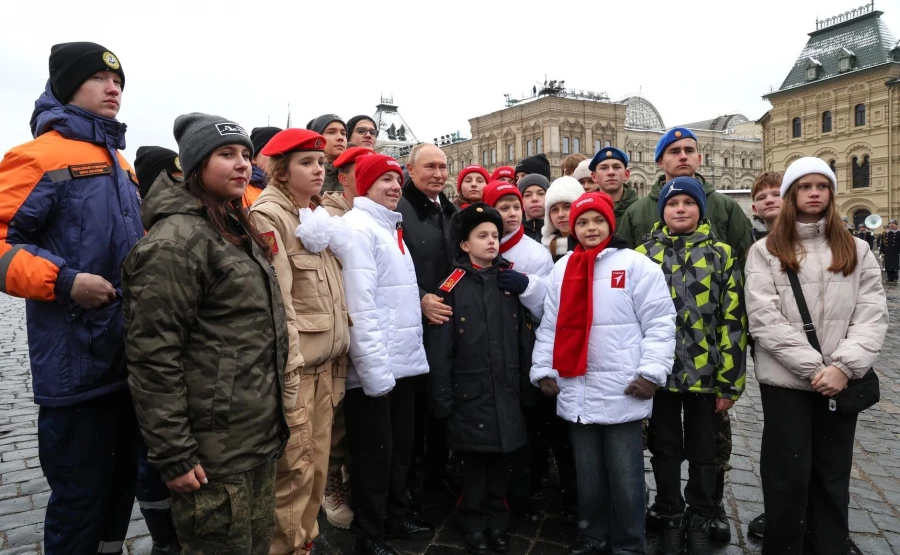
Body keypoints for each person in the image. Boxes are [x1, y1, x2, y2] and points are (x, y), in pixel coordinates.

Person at [0, 42, 144, 555]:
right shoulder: (36, 157)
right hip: (74, 364)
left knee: (120, 489)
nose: (114, 90)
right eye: (101, 80)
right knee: (79, 497)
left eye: (120, 83)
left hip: (129, 359)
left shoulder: (121, 163)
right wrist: (64, 281)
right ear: (67, 86)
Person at [123, 112, 290, 553]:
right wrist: (174, 452)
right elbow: (153, 356)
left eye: (245, 155)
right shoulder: (175, 243)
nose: (241, 164)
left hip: (254, 437)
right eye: (225, 154)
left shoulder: (233, 227)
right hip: (212, 451)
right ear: (194, 166)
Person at [745, 157, 887, 555]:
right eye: (804, 186)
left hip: (840, 382)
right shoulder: (764, 251)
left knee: (831, 474)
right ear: (792, 195)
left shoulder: (856, 249)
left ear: (830, 193)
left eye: (821, 186)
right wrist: (817, 368)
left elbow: (872, 315)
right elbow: (764, 319)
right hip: (787, 383)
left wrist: (842, 367)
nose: (813, 193)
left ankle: (828, 546)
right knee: (787, 476)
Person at [532, 192, 676, 555]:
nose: (590, 228)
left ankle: (629, 543)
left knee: (626, 479)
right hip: (577, 388)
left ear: (610, 223)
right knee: (589, 478)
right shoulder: (563, 267)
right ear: (573, 228)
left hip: (622, 389)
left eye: (597, 220)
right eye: (582, 222)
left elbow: (660, 323)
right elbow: (550, 324)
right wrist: (543, 369)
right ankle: (592, 536)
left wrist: (651, 372)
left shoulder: (636, 265)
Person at [624, 128, 750, 542]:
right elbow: (628, 317)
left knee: (705, 449)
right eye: (672, 203)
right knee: (663, 446)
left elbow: (733, 319)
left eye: (688, 203)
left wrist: (731, 379)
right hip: (659, 372)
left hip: (705, 372)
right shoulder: (644, 254)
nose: (680, 209)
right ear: (660, 209)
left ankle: (703, 508)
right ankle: (668, 507)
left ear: (702, 209)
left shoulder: (722, 253)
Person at [248, 128, 352, 554]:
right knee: (293, 475)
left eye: (320, 163)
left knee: (318, 469)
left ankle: (304, 543)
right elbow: (279, 307)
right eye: (306, 163)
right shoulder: (269, 216)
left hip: (326, 368)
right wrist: (290, 380)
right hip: (300, 373)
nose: (318, 170)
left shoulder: (310, 213)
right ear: (280, 170)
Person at [425, 204, 531, 555]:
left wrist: (527, 384)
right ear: (465, 244)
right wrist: (440, 395)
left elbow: (524, 337)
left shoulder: (509, 279)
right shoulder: (452, 284)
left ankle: (497, 523)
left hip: (507, 388)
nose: (491, 241)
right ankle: (472, 522)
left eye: (495, 236)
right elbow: (441, 347)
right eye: (482, 235)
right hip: (469, 392)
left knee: (502, 463)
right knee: (474, 467)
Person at [342, 154, 434, 555]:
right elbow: (359, 308)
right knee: (374, 458)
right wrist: (375, 373)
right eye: (385, 180)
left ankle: (394, 516)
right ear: (365, 186)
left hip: (403, 363)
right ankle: (370, 533)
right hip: (376, 371)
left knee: (399, 451)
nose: (395, 186)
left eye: (397, 179)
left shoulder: (388, 228)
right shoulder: (359, 229)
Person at [396, 143, 458, 495]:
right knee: (416, 413)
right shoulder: (400, 209)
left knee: (440, 403)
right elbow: (393, 268)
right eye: (430, 167)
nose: (437, 174)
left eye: (442, 167)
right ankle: (414, 486)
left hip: (446, 323)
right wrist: (420, 298)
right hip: (413, 326)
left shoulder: (446, 209)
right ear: (410, 169)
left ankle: (435, 474)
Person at [320, 145, 375, 529]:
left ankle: (358, 481)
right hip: (339, 326)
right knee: (335, 416)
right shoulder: (327, 215)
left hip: (371, 326)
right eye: (365, 171)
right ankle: (330, 484)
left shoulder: (384, 213)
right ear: (345, 177)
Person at [618, 128, 752, 267]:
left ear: (699, 159)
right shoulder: (637, 212)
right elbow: (623, 265)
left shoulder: (725, 206)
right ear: (660, 161)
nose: (683, 156)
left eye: (689, 150)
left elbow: (745, 261)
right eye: (674, 151)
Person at [589, 147, 638, 228]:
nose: (611, 172)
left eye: (616, 167)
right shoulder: (587, 210)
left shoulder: (640, 209)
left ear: (626, 174)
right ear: (594, 176)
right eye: (604, 168)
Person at [322, 146, 375, 218]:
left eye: (373, 172)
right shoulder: (326, 216)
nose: (372, 178)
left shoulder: (382, 212)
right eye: (363, 172)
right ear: (343, 179)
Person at [542, 176, 585, 262]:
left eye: (567, 207)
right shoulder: (542, 249)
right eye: (554, 209)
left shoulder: (594, 244)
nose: (560, 214)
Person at [243, 126, 281, 208]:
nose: (281, 155)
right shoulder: (242, 192)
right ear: (253, 158)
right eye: (272, 149)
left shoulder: (296, 188)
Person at [308, 114, 347, 193]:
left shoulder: (354, 173)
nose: (340, 138)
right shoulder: (305, 172)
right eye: (331, 132)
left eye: (343, 133)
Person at [518, 174, 550, 242]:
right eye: (527, 195)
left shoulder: (559, 231)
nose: (534, 199)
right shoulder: (514, 233)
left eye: (541, 194)